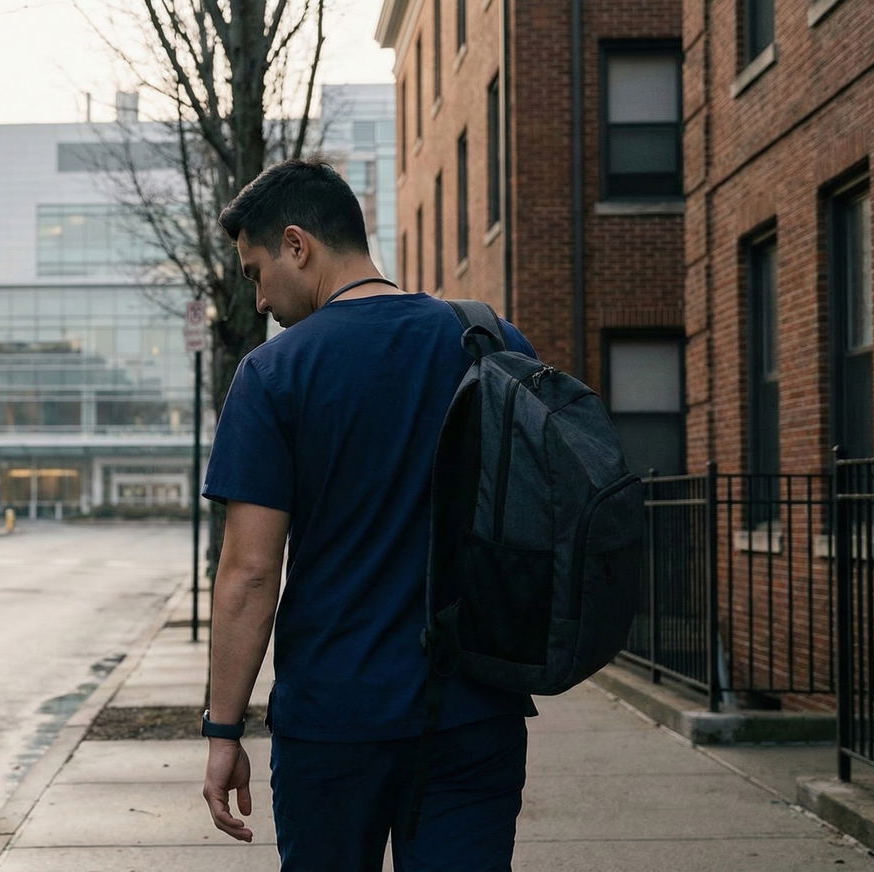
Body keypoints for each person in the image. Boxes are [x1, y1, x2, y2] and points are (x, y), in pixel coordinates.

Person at [198, 159, 538, 871]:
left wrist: (223, 728)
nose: (258, 300)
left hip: (334, 717)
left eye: (256, 271)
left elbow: (251, 573)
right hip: (475, 711)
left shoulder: (273, 375)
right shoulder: (494, 342)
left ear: (298, 245)